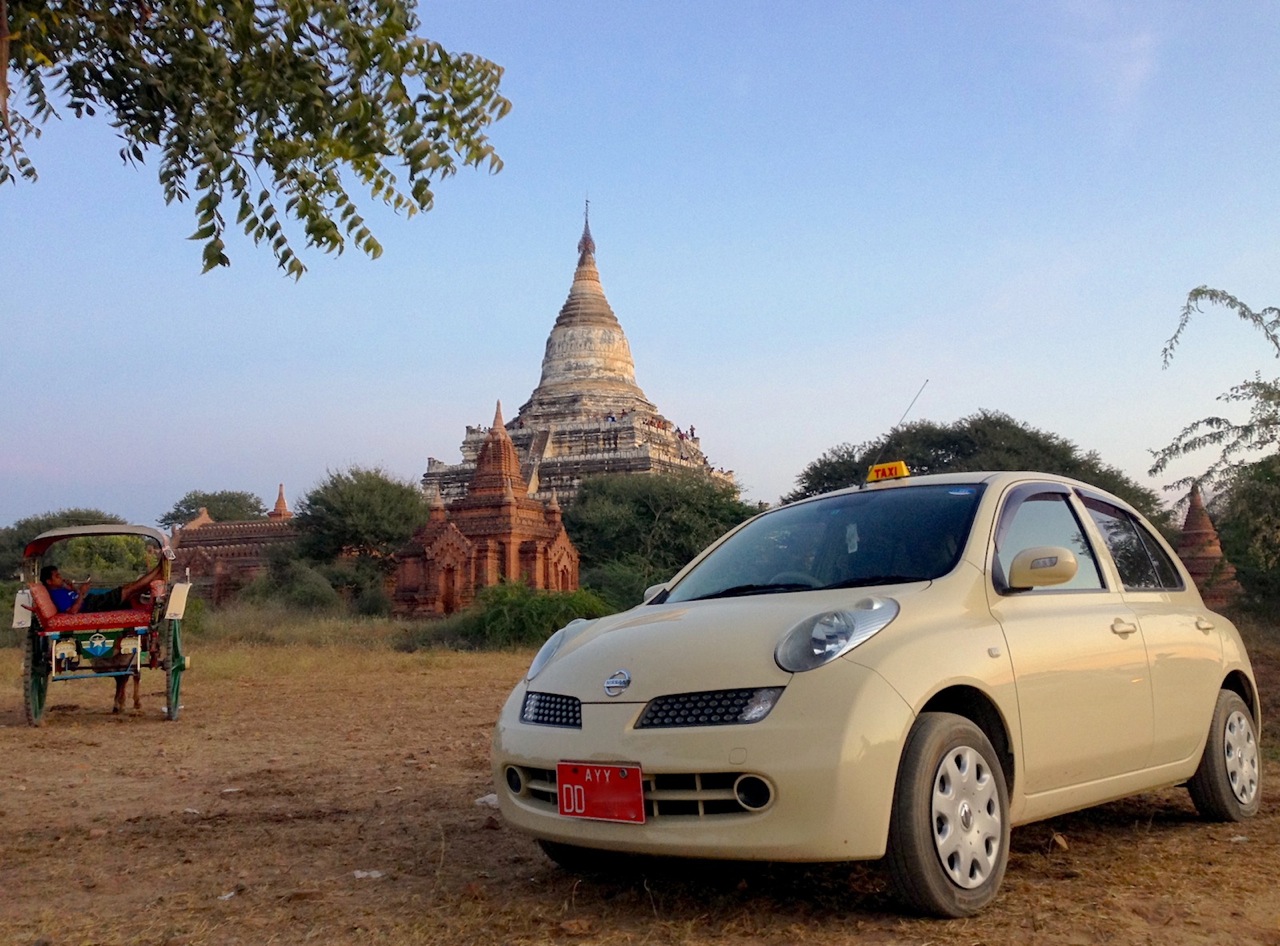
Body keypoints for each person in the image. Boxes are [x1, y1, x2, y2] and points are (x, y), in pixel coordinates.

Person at [40, 563, 164, 615]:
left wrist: (73, 589)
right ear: (49, 581)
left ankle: (158, 572)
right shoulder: (56, 595)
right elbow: (73, 611)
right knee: (128, 589)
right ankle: (158, 570)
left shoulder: (61, 590)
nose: (60, 577)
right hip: (92, 605)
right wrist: (82, 594)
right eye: (57, 576)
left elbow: (75, 598)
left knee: (132, 592)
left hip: (92, 601)